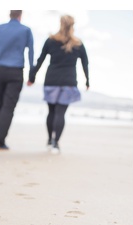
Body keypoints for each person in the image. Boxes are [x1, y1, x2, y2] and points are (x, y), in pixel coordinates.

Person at [27, 14, 89, 155]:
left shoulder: (51, 41)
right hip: (68, 82)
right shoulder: (78, 43)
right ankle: (56, 143)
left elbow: (40, 59)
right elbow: (85, 63)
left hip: (52, 81)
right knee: (60, 113)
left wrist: (32, 76)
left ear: (60, 24)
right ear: (73, 25)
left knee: (51, 112)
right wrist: (87, 81)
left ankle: (50, 140)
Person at [0, 10, 35, 150]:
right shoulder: (26, 31)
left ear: (10, 14)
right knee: (8, 107)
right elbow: (31, 53)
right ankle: (0, 139)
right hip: (16, 73)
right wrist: (32, 75)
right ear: (20, 15)